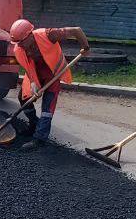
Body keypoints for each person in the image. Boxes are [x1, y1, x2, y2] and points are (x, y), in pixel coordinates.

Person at [9, 18, 90, 149]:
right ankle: (34, 124)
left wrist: (85, 47)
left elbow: (76, 30)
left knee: (48, 107)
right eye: (17, 42)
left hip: (53, 73)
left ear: (30, 34)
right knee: (23, 98)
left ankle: (39, 139)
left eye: (22, 41)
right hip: (36, 73)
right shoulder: (18, 49)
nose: (20, 45)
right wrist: (34, 84)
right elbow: (28, 69)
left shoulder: (48, 34)